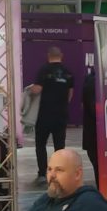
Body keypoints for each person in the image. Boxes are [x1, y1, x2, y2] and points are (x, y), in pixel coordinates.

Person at [31, 46, 74, 184]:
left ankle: (42, 174)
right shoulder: (68, 72)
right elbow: (70, 94)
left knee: (40, 144)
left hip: (44, 115)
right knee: (59, 146)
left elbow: (37, 89)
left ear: (48, 55)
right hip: (61, 115)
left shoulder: (43, 70)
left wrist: (30, 90)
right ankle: (59, 173)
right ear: (61, 55)